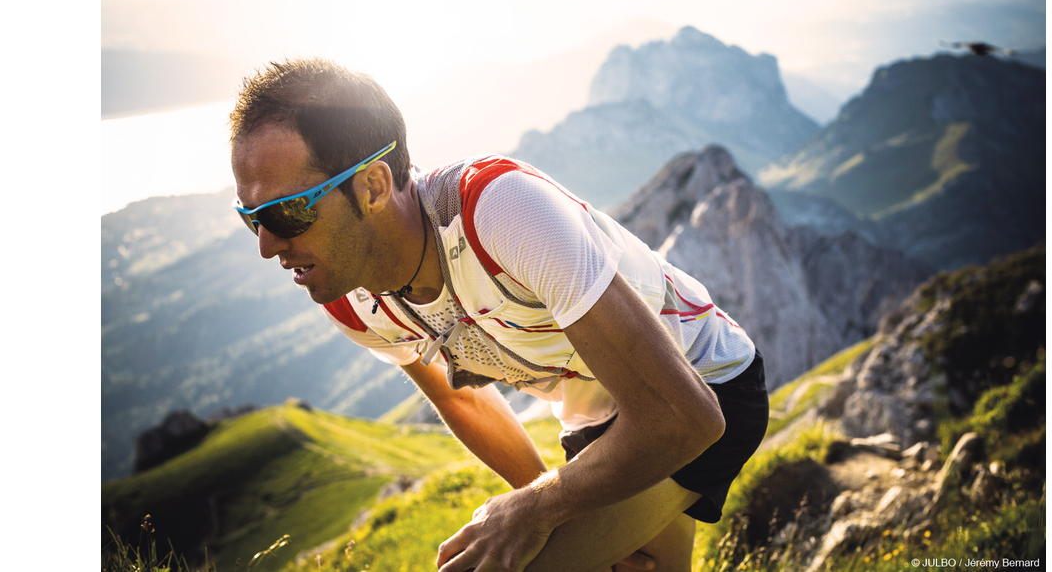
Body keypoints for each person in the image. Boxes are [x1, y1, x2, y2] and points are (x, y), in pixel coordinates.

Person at [228, 58, 768, 572]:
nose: (267, 246)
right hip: (597, 421)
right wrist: (548, 512)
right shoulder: (351, 300)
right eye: (250, 218)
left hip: (703, 382)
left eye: (287, 212)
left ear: (372, 186)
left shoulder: (501, 212)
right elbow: (461, 398)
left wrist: (539, 511)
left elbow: (686, 417)